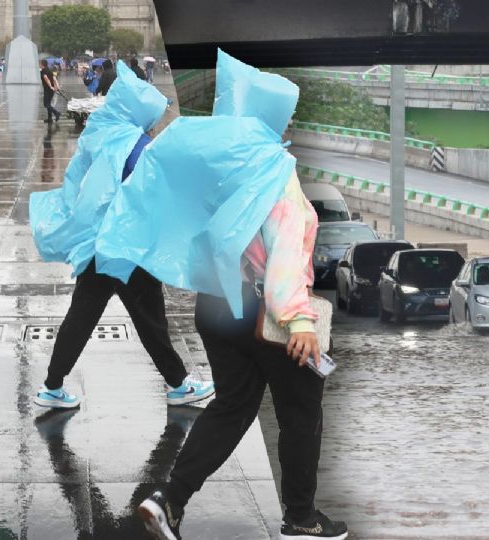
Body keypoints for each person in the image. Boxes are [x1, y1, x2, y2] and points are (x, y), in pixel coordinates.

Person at [131, 51, 347, 540]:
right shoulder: (274, 172)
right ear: (268, 118)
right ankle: (302, 518)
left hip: (217, 303)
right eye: (285, 113)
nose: (290, 121)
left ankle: (169, 499)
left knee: (231, 406)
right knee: (300, 414)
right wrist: (300, 322)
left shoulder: (216, 167)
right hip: (267, 312)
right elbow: (287, 246)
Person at [30, 61, 214, 410]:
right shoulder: (134, 143)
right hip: (127, 248)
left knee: (83, 318)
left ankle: (52, 387)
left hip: (100, 246)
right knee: (150, 320)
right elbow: (157, 186)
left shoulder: (101, 132)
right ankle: (178, 385)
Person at [39, 59, 61, 124]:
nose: (39, 65)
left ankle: (56, 113)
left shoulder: (43, 71)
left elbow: (46, 79)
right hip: (51, 90)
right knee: (48, 104)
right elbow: (54, 78)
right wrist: (57, 86)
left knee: (46, 104)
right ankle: (49, 118)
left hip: (48, 90)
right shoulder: (49, 70)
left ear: (42, 64)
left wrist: (50, 86)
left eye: (40, 64)